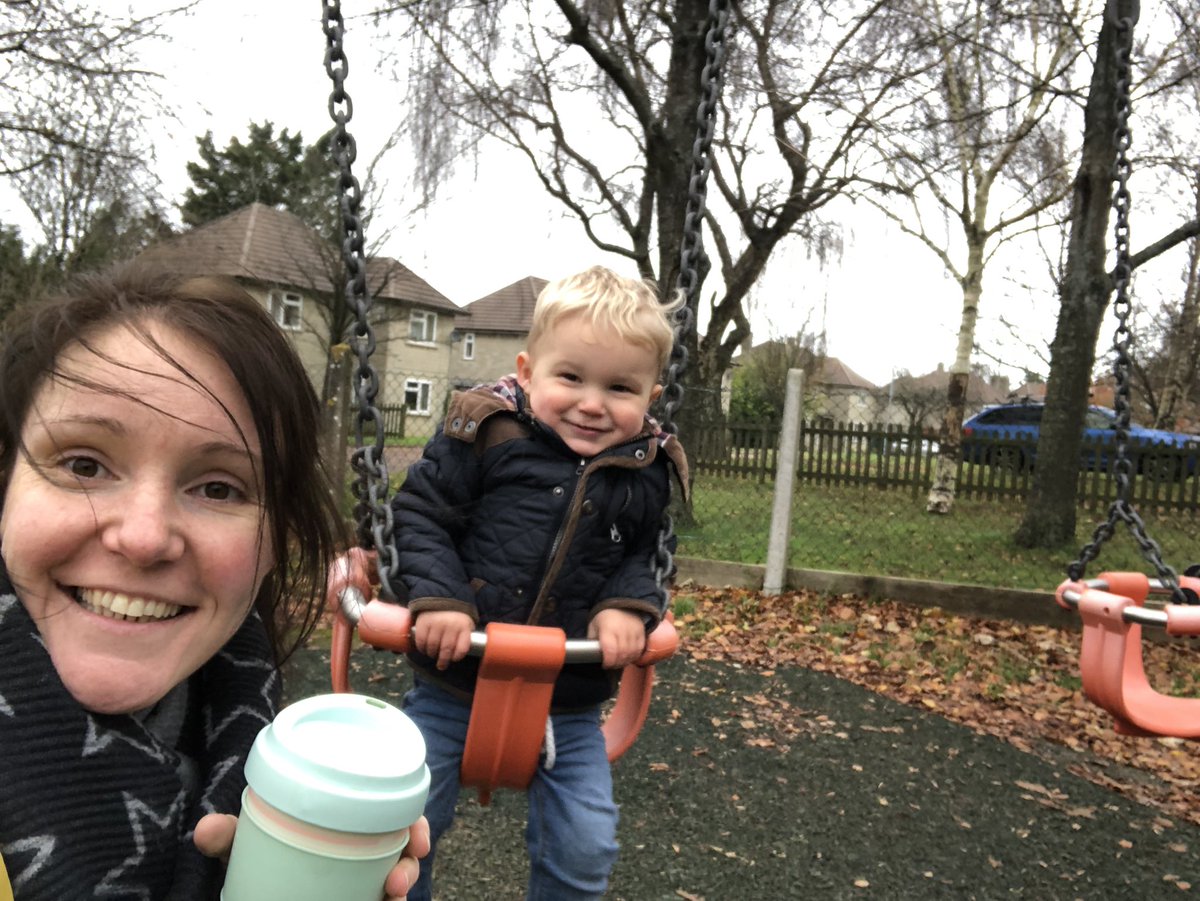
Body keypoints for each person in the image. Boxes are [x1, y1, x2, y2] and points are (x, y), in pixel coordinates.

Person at [0, 267, 428, 900]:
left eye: (219, 488)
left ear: (274, 547)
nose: (144, 538)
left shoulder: (243, 751)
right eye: (85, 464)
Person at [392, 265, 689, 900]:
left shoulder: (645, 473)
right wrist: (440, 598)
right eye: (571, 377)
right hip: (453, 682)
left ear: (651, 396)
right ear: (527, 373)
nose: (591, 402)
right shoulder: (486, 436)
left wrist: (627, 607)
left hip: (571, 701)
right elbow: (420, 515)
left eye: (619, 387)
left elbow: (650, 553)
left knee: (586, 843)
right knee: (399, 828)